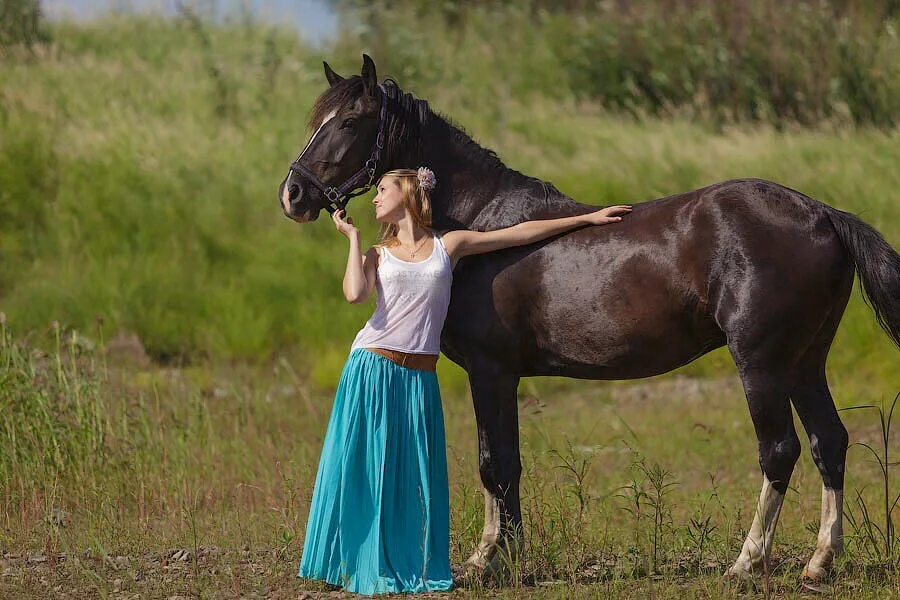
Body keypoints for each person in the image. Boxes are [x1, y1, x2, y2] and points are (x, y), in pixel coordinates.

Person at [298, 167, 631, 595]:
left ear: (409, 192)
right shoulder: (379, 254)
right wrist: (354, 239)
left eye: (383, 189)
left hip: (419, 375)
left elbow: (520, 234)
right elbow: (355, 295)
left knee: (414, 472)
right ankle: (345, 560)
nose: (376, 197)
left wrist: (586, 218)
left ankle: (409, 560)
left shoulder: (448, 245)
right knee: (360, 466)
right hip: (372, 365)